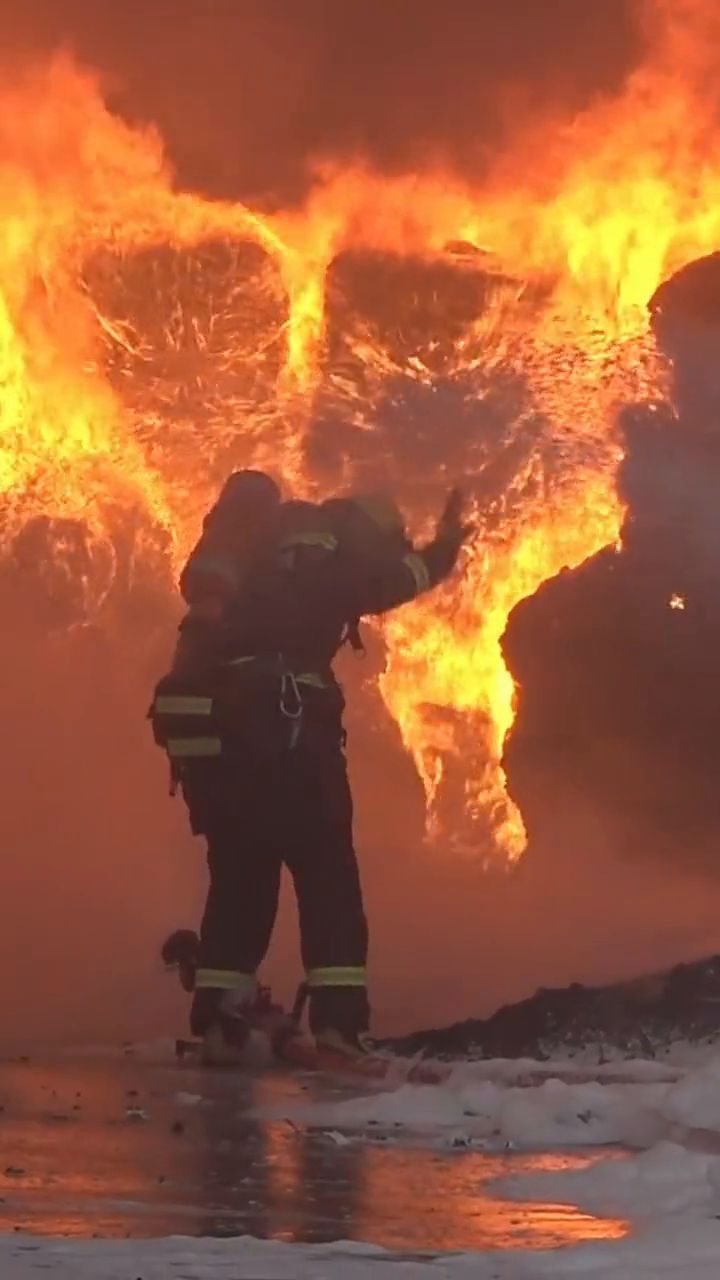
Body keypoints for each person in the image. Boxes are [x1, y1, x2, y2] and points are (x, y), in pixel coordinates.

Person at [152, 477, 469, 1063]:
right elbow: (389, 583)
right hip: (287, 736)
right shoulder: (328, 549)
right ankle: (339, 1029)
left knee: (241, 879)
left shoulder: (253, 558)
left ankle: (221, 1021)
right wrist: (443, 548)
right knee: (328, 878)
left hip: (221, 744)